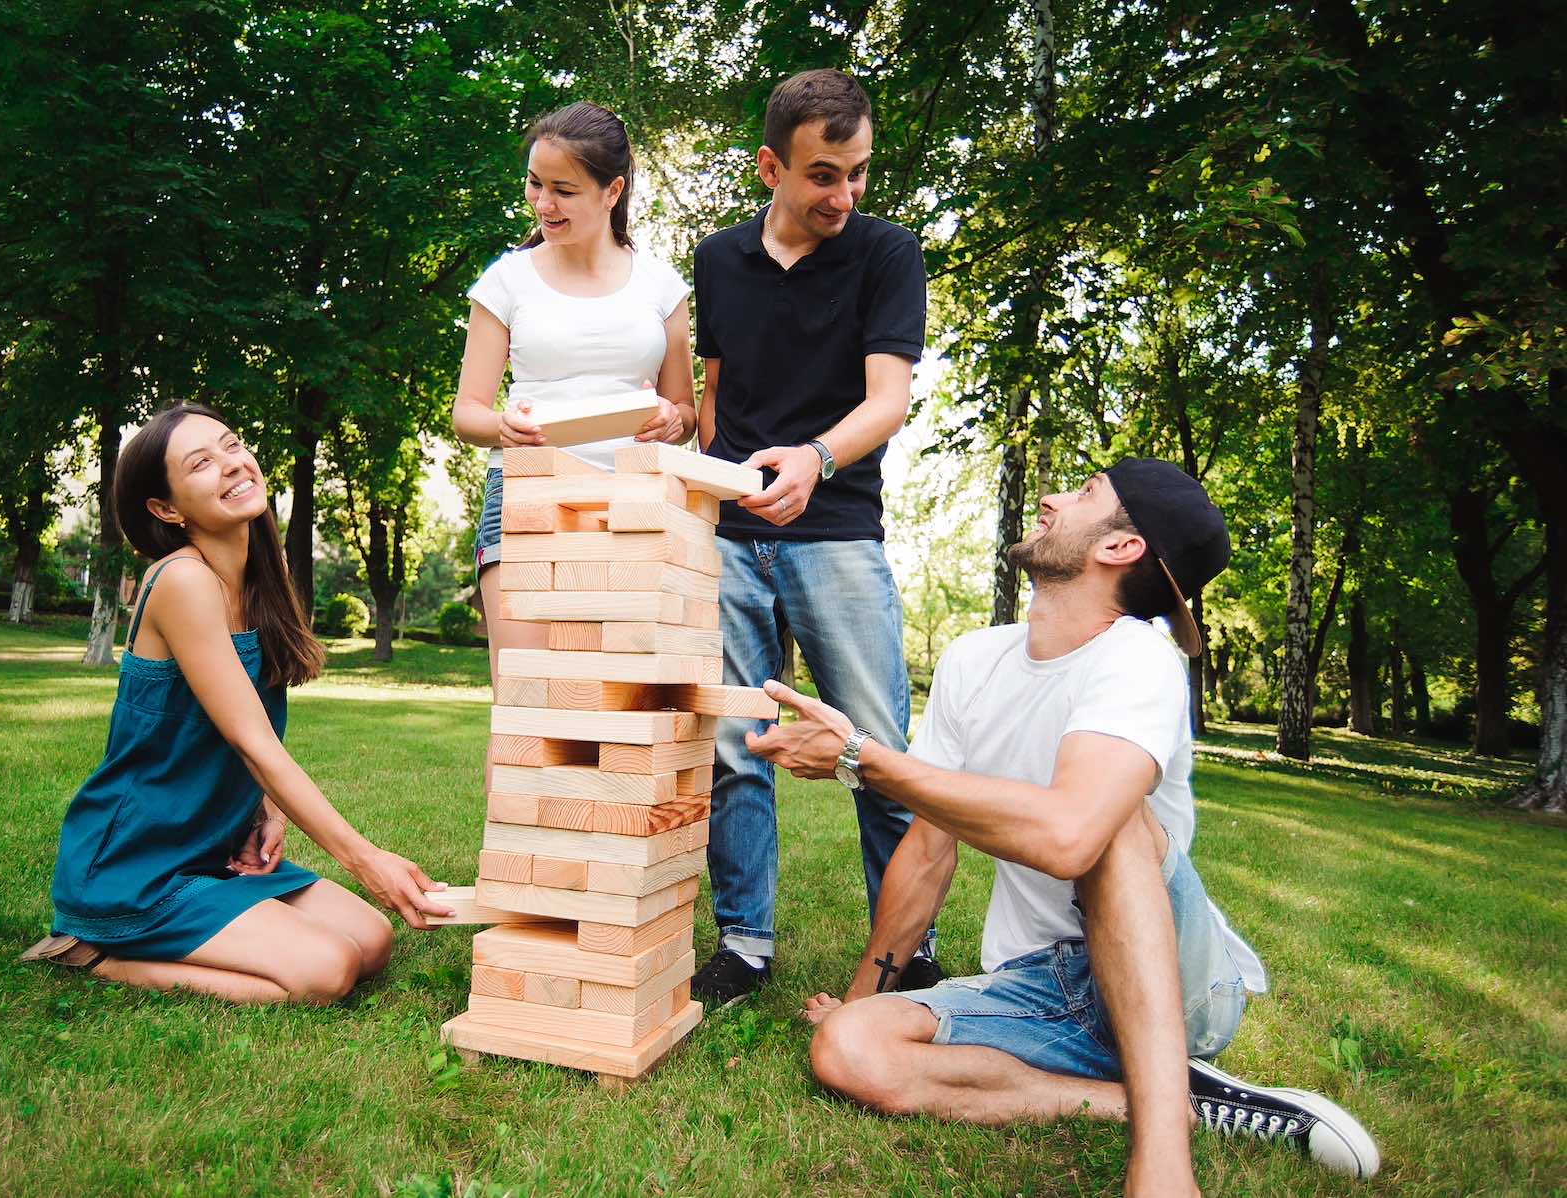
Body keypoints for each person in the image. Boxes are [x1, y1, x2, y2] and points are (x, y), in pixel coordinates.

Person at [748, 460, 1381, 1193]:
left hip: (1175, 981)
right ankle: (1166, 1100)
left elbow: (1072, 838)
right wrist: (862, 1000)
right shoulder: (973, 661)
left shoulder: (1139, 660)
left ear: (1120, 547)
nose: (1052, 497)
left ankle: (1164, 1165)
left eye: (1084, 495)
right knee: (848, 1050)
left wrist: (864, 758)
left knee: (1109, 825)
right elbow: (926, 854)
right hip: (1040, 986)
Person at [22, 404, 454, 1004]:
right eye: (201, 463)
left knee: (372, 942)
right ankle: (93, 952)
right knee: (326, 972)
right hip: (139, 864)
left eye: (231, 446)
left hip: (214, 850)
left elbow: (242, 732)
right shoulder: (182, 580)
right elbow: (253, 741)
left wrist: (268, 809)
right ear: (166, 510)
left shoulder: (260, 580)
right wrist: (365, 859)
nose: (230, 465)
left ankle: (178, 926)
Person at [689, 68, 931, 1005]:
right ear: (770, 167)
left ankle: (907, 954)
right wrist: (706, 484)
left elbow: (888, 402)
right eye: (824, 175)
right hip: (727, 538)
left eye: (859, 172)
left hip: (836, 534)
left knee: (882, 754)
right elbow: (714, 397)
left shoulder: (886, 254)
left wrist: (813, 461)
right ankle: (744, 946)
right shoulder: (717, 261)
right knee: (733, 747)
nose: (847, 194)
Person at [452, 101, 696, 719]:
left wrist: (674, 420)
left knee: (617, 713)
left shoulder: (661, 287)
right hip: (526, 500)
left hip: (632, 505)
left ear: (612, 190)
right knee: (525, 709)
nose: (543, 203)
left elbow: (687, 411)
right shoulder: (506, 282)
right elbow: (468, 413)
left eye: (564, 189)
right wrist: (503, 427)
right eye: (536, 183)